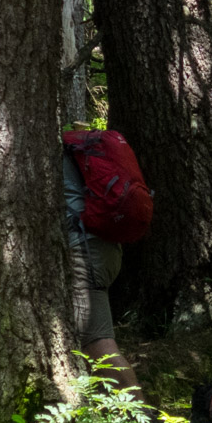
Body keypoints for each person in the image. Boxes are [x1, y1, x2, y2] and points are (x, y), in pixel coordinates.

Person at [64, 141, 143, 399]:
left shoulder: (46, 155)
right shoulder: (74, 152)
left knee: (97, 342)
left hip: (85, 253)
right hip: (104, 248)